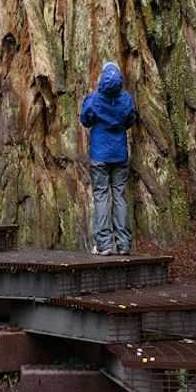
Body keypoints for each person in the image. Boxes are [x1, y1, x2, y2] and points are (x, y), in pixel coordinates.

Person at [79, 61, 137, 255]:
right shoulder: (126, 99)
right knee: (120, 197)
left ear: (102, 78)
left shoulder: (94, 99)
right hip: (120, 155)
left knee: (102, 197)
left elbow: (85, 120)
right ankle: (124, 244)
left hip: (99, 156)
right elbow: (130, 120)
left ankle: (104, 244)